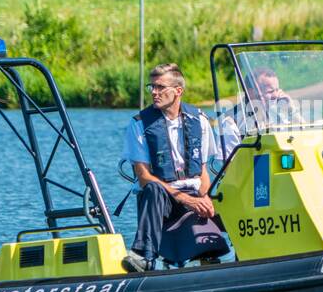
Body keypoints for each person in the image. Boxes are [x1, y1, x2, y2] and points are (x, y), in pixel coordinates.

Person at [121, 63, 218, 272]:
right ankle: (143, 256)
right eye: (152, 87)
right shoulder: (139, 124)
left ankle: (218, 255)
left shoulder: (199, 120)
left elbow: (202, 171)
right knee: (153, 189)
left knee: (231, 190)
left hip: (192, 192)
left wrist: (205, 198)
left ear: (178, 91)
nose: (154, 93)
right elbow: (144, 176)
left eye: (160, 87)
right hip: (162, 198)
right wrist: (183, 198)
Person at [216, 66, 300, 158]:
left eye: (277, 90)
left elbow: (302, 139)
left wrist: (292, 111)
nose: (276, 95)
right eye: (270, 91)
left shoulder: (278, 113)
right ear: (251, 93)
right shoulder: (231, 122)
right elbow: (228, 166)